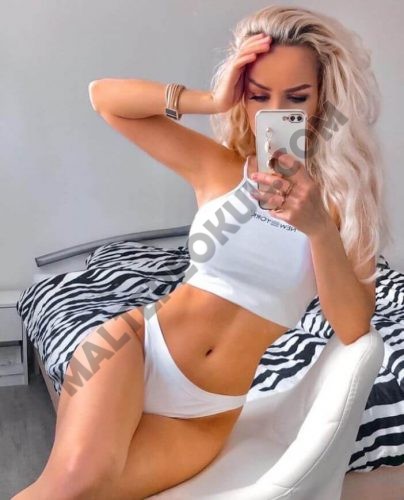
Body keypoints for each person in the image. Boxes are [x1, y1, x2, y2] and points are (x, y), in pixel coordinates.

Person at [13, 4, 392, 499]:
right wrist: (209, 100)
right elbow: (104, 98)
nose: (275, 111)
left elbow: (354, 326)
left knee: (75, 492)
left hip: (204, 413)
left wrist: (318, 228)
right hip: (132, 346)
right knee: (71, 484)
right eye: (258, 95)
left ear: (323, 98)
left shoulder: (343, 201)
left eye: (297, 97)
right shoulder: (218, 166)